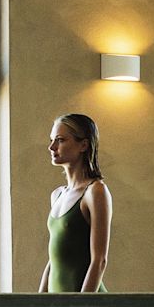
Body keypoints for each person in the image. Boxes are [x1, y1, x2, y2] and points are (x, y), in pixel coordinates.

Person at [41, 113, 111, 292]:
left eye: (60, 140)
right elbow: (55, 259)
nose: (52, 147)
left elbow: (99, 260)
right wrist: (39, 301)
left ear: (83, 145)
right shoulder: (57, 195)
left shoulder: (95, 191)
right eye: (52, 140)